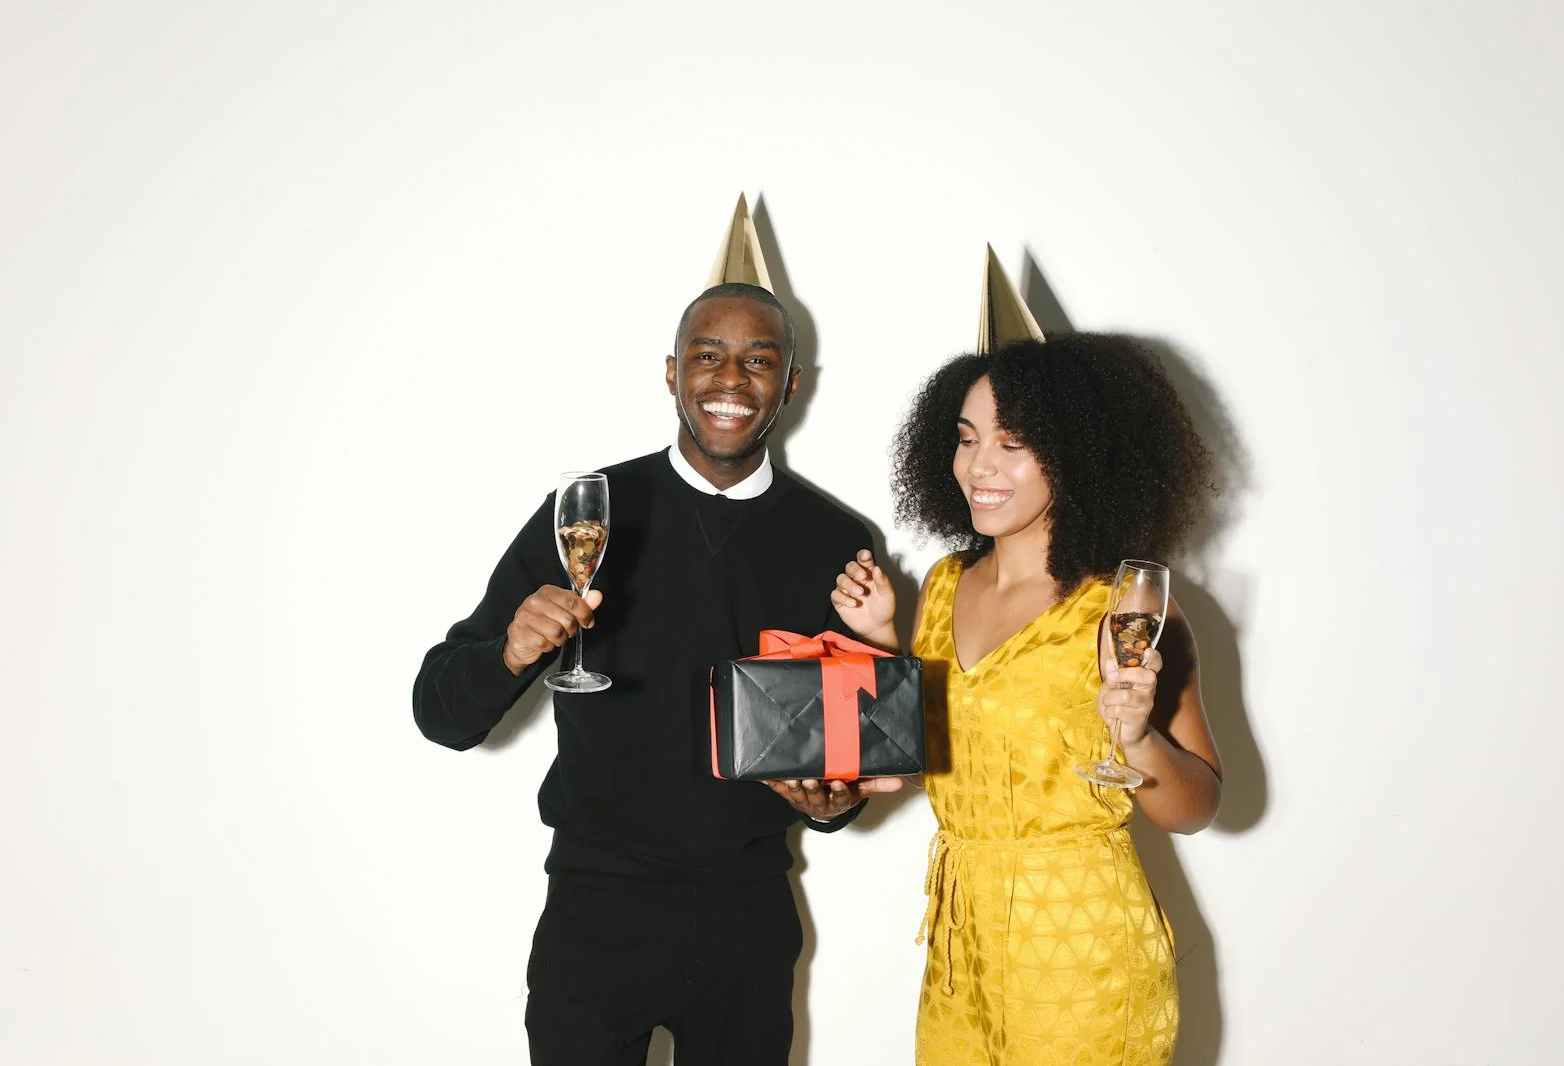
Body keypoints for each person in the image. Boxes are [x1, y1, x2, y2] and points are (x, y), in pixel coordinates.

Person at [413, 208, 901, 1065]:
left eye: (759, 359)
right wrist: (509, 652)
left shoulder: (834, 539)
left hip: (748, 919)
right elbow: (440, 713)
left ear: (790, 384)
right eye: (707, 354)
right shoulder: (587, 511)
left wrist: (837, 804)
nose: (730, 377)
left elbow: (844, 755)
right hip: (595, 913)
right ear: (672, 373)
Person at [831, 324, 1223, 1065]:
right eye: (966, 437)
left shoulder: (1128, 609)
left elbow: (1197, 807)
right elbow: (931, 763)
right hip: (961, 949)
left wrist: (1138, 738)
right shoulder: (944, 585)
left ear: (1076, 454)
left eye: (1012, 442)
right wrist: (882, 641)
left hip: (1083, 952)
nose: (979, 464)